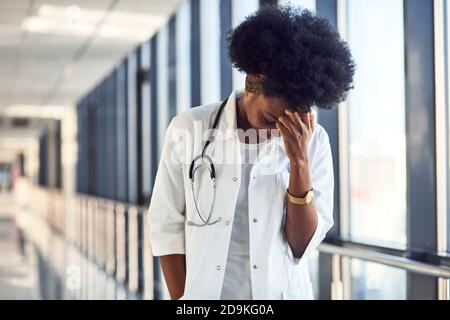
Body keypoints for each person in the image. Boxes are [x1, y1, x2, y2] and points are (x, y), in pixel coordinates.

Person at [148, 5, 355, 300]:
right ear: (253, 83)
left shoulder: (314, 141)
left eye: (288, 122)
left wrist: (299, 162)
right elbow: (165, 223)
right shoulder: (190, 128)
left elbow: (302, 246)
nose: (276, 133)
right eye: (272, 119)